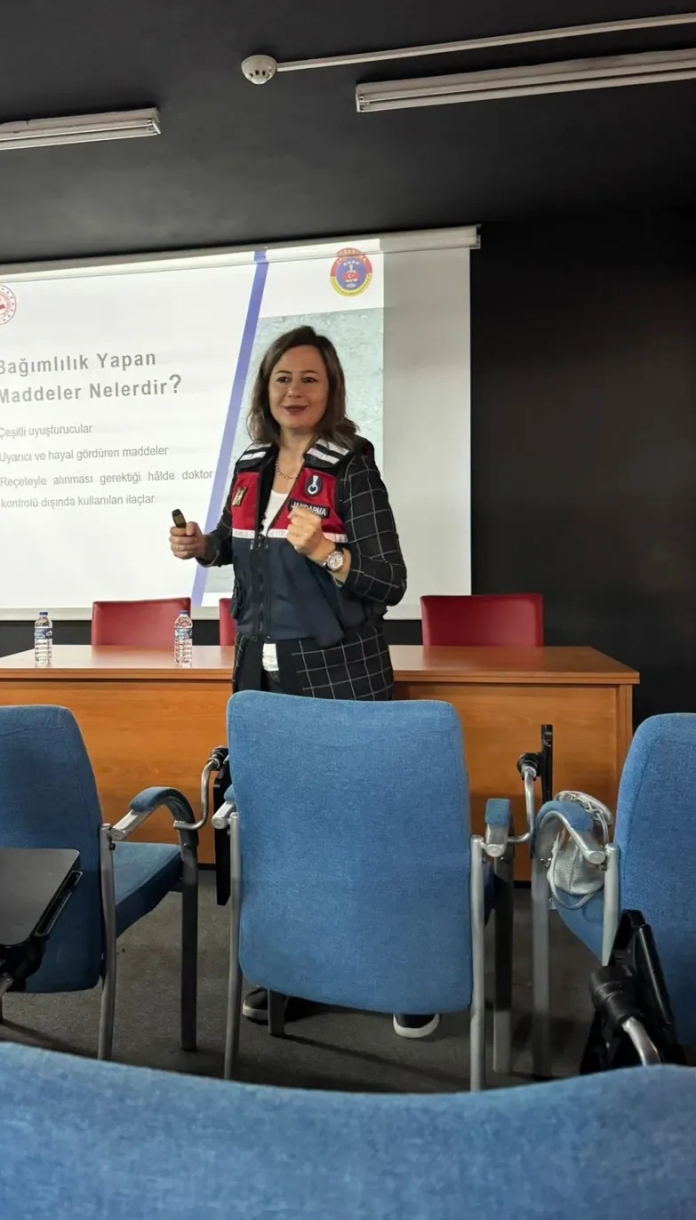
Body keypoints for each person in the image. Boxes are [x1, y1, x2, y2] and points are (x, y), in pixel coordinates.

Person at [170, 325, 434, 1038]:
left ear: (330, 389)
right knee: (281, 830)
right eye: (282, 377)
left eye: (309, 378)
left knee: (364, 827)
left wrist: (328, 553)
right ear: (266, 389)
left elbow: (389, 581)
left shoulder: (352, 467)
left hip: (342, 671)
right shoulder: (252, 465)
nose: (294, 390)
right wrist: (203, 546)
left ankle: (409, 973)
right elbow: (238, 545)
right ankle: (297, 968)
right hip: (260, 675)